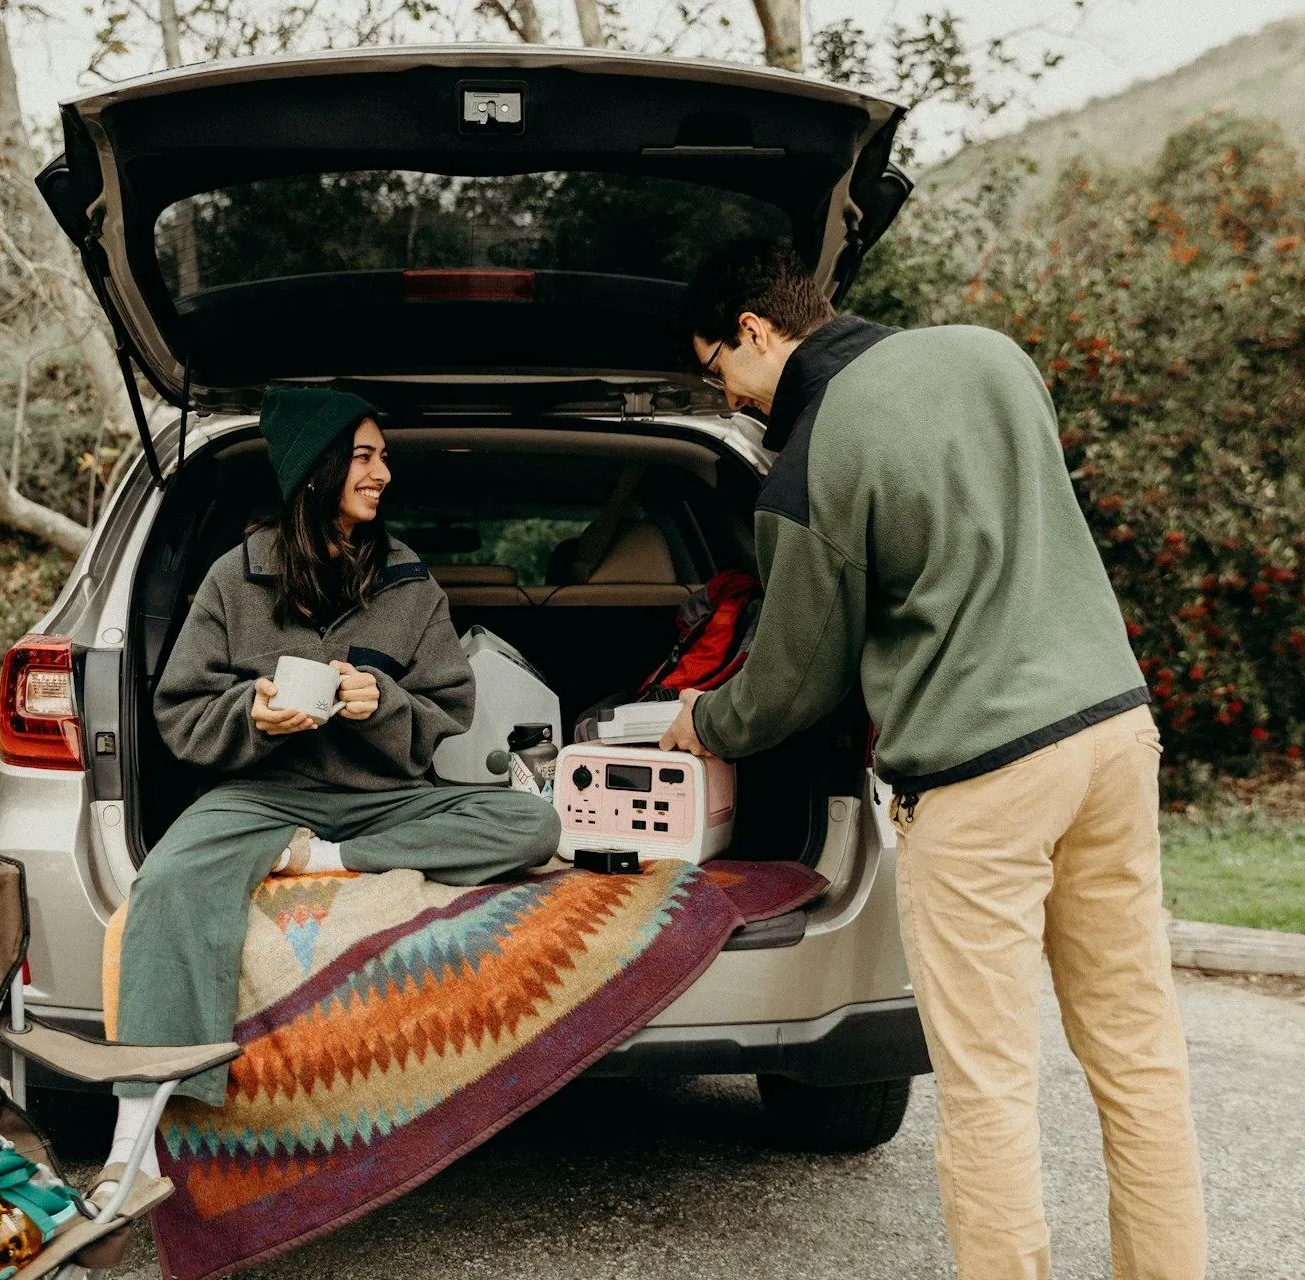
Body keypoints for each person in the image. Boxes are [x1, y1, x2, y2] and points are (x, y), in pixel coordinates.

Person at [658, 239, 1205, 1279]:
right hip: (1114, 733)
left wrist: (706, 722)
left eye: (716, 366)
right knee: (1139, 1053)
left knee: (988, 1078)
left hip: (982, 774)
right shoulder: (993, 356)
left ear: (758, 331)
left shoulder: (811, 465)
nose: (722, 393)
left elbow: (794, 681)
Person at [96, 386, 560, 1194]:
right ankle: (136, 1132)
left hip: (382, 800)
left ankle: (331, 855)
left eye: (384, 457)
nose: (384, 473)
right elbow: (179, 712)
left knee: (530, 826)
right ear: (317, 471)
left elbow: (451, 707)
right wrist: (254, 713)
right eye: (366, 456)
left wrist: (385, 705)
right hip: (261, 799)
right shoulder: (230, 582)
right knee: (166, 883)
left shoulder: (411, 583)